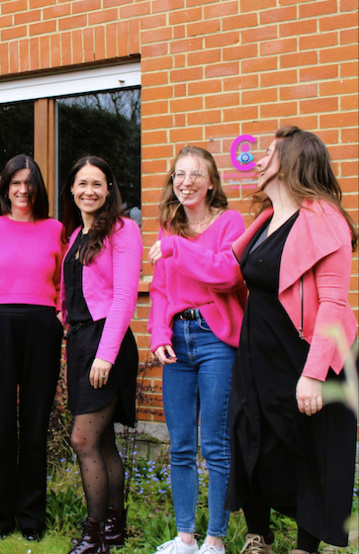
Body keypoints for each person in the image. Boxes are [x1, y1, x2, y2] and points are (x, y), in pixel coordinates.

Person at [227, 126, 358, 554]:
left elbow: (335, 304)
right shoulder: (266, 220)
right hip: (257, 353)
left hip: (303, 353)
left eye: (269, 153)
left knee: (306, 447)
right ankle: (258, 537)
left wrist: (314, 375)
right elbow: (228, 272)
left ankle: (305, 547)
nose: (259, 160)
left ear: (293, 162)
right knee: (251, 439)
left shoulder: (325, 220)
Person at [147, 147, 247, 554]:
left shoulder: (229, 222)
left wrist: (176, 249)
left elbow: (225, 273)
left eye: (195, 175)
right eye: (178, 175)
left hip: (216, 339)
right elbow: (159, 289)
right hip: (178, 339)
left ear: (211, 182)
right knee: (182, 443)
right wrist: (157, 335)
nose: (185, 182)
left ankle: (215, 539)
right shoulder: (168, 228)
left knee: (216, 444)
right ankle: (186, 536)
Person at [0, 154, 65, 543]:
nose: (22, 190)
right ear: (5, 187)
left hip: (42, 327)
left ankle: (31, 517)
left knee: (36, 422)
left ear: (38, 187)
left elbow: (63, 285)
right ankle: (1, 515)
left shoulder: (56, 229)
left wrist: (59, 319)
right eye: (15, 183)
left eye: (29, 183)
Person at [59, 156, 141, 554]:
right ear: (72, 190)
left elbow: (125, 296)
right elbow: (71, 292)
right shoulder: (76, 235)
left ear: (109, 190)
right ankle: (113, 529)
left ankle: (93, 536)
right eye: (81, 183)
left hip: (106, 343)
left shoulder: (123, 230)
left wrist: (104, 355)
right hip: (80, 343)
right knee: (102, 442)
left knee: (83, 439)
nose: (89, 190)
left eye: (97, 183)